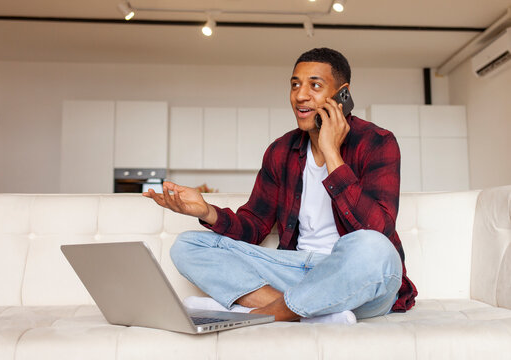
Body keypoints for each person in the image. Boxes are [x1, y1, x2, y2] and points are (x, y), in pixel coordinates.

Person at [144, 48, 417, 323]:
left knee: (374, 248)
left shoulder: (377, 142)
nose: (300, 95)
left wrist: (332, 154)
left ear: (342, 94)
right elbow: (253, 226)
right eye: (295, 84)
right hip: (296, 269)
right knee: (188, 245)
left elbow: (378, 230)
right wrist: (206, 212)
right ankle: (311, 311)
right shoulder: (281, 150)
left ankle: (264, 314)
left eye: (315, 85)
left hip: (355, 274)